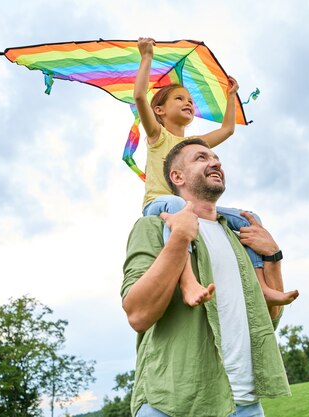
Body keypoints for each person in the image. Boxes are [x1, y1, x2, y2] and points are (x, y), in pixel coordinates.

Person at [122, 138, 293, 417]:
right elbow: (138, 315)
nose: (215, 162)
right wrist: (179, 237)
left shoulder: (239, 236)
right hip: (174, 404)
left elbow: (269, 320)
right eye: (201, 158)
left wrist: (273, 257)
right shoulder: (151, 227)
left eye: (216, 158)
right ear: (177, 177)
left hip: (245, 404)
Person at [134, 37, 298, 308]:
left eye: (190, 100)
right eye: (179, 98)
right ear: (159, 110)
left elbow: (227, 130)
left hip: (190, 206)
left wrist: (230, 96)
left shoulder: (192, 145)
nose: (188, 103)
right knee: (177, 204)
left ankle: (261, 287)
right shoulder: (157, 135)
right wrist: (147, 57)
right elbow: (140, 96)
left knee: (248, 219)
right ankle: (187, 281)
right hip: (160, 205)